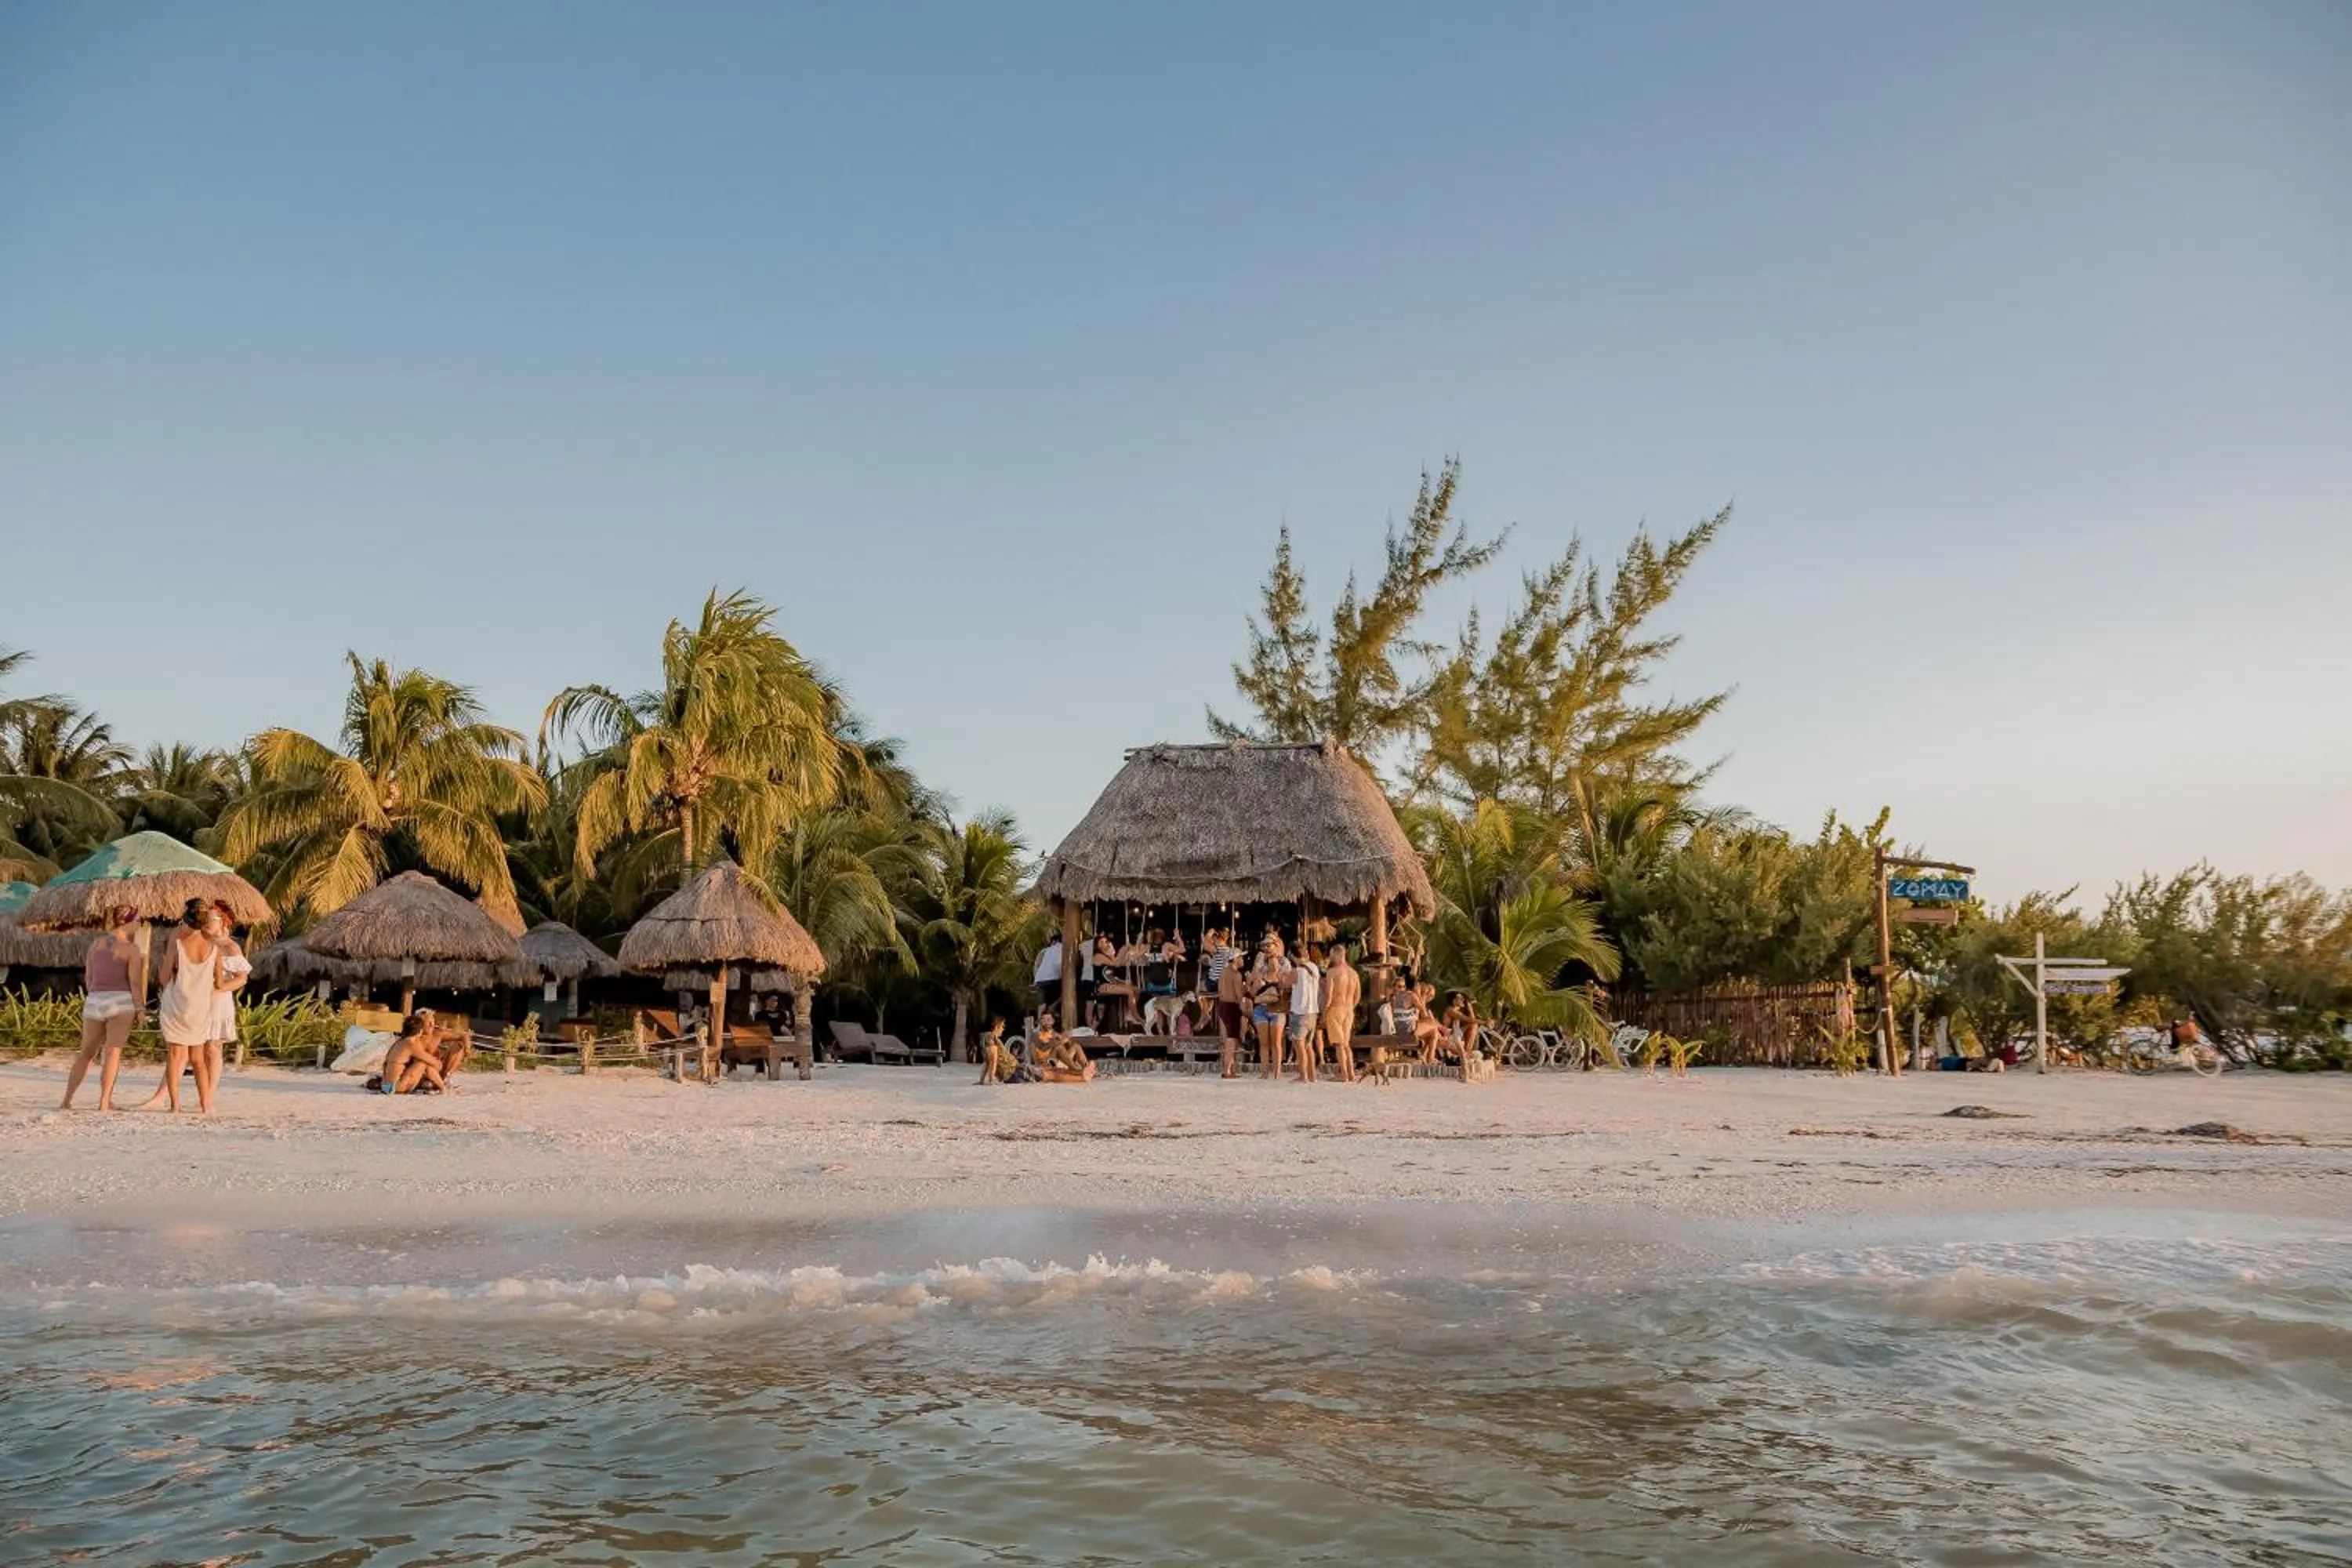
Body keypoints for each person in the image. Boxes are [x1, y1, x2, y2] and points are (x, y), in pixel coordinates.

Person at [60, 906, 148, 1111]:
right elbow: (134, 983)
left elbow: (89, 978)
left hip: (95, 1001)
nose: (139, 925)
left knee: (85, 1053)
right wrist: (140, 1010)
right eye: (138, 921)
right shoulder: (131, 949)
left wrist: (97, 995)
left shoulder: (95, 944)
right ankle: (104, 1101)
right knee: (112, 1052)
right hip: (120, 1002)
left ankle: (66, 1100)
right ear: (128, 922)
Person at [142, 898, 221, 1112]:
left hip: (178, 1005)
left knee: (175, 1057)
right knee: (198, 1059)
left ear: (186, 919)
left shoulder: (177, 940)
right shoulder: (215, 945)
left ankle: (175, 1105)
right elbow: (220, 982)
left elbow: (164, 977)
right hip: (200, 1008)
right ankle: (205, 1105)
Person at [196, 901, 248, 1113]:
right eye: (205, 919)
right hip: (197, 999)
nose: (207, 923)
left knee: (213, 1048)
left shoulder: (230, 946)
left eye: (212, 919)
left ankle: (209, 1095)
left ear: (222, 922)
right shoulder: (197, 941)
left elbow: (242, 979)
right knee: (190, 1047)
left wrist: (220, 988)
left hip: (219, 999)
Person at [1250, 934, 1293, 1080]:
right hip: (1261, 1007)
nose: (1267, 948)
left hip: (1277, 1007)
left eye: (1270, 945)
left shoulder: (1284, 963)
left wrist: (1277, 976)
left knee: (1276, 1042)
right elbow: (1253, 987)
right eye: (1265, 945)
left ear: (1277, 946)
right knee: (1264, 1042)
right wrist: (1259, 968)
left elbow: (1287, 986)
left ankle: (1277, 1072)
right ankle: (1264, 1072)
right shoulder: (1261, 964)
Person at [374, 1012, 450, 1094]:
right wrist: (438, 1064)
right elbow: (434, 1063)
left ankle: (432, 1085)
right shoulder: (412, 1045)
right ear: (420, 1030)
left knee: (418, 1063)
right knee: (424, 1063)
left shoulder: (400, 1042)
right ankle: (443, 1089)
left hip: (385, 1086)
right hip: (396, 1087)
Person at [1321, 944, 1361, 1084]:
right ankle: (1351, 1074)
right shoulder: (1354, 973)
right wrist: (1350, 1007)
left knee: (1339, 1044)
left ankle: (1343, 1074)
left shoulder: (1332, 972)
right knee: (1346, 1044)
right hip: (1349, 1010)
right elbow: (1358, 996)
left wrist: (1324, 1013)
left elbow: (1329, 995)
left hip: (1336, 1009)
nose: (1330, 958)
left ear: (1337, 954)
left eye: (1331, 955)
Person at [1211, 933, 1247, 1079]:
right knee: (1232, 1039)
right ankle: (1227, 1070)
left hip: (1222, 1005)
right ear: (1235, 959)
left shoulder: (1223, 973)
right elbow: (1239, 996)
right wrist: (1248, 987)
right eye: (1241, 957)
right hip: (1232, 1006)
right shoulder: (1236, 975)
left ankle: (1229, 1069)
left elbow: (1220, 990)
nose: (1243, 960)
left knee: (1227, 1039)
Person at [1287, 946, 1322, 1083]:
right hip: (1313, 1011)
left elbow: (1285, 983)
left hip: (1299, 1011)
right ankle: (1312, 1075)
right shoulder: (1313, 967)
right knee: (1309, 1046)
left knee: (1299, 1046)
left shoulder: (1297, 971)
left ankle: (1303, 1075)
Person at [1032, 933, 1064, 1025]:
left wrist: (1036, 980)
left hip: (1039, 980)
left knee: (1042, 1004)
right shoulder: (1061, 948)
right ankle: (1052, 1008)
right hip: (1052, 979)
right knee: (1066, 992)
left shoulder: (1044, 951)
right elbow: (1059, 965)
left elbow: (1037, 965)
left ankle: (1040, 1026)